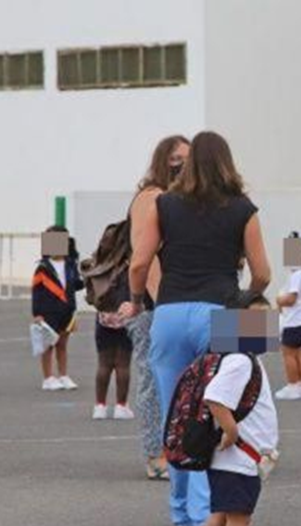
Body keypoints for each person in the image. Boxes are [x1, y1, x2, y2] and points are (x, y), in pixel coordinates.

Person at [122, 130, 271, 526]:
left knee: (177, 412)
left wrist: (138, 300)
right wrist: (243, 297)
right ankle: (207, 512)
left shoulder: (163, 204)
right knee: (215, 409)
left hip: (169, 311)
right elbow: (263, 273)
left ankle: (180, 509)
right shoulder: (243, 208)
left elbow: (139, 263)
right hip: (220, 311)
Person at [190, 294, 285, 526]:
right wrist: (231, 431)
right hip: (237, 457)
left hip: (232, 458)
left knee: (220, 514)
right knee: (238, 518)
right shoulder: (240, 360)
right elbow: (215, 397)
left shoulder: (240, 357)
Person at [127, 134, 190, 479]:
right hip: (157, 303)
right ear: (165, 160)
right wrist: (159, 298)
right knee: (153, 377)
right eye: (178, 157)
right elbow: (144, 258)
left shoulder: (180, 200)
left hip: (178, 302)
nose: (184, 164)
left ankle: (180, 448)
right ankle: (155, 454)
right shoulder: (152, 198)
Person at [32, 225, 83, 391]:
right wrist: (37, 313)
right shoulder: (43, 267)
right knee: (48, 345)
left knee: (62, 344)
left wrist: (89, 277)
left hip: (67, 309)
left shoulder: (71, 264)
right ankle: (48, 377)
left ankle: (63, 375)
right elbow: (36, 291)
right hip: (48, 310)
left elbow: (76, 285)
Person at [275, 232, 301, 401]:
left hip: (295, 321)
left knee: (288, 353)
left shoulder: (297, 276)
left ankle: (292, 385)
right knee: (300, 353)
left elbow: (291, 299)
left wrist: (279, 299)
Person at [93, 308, 134, 419]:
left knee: (104, 364)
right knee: (123, 365)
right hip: (125, 317)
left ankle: (100, 406)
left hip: (104, 318)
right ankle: (121, 406)